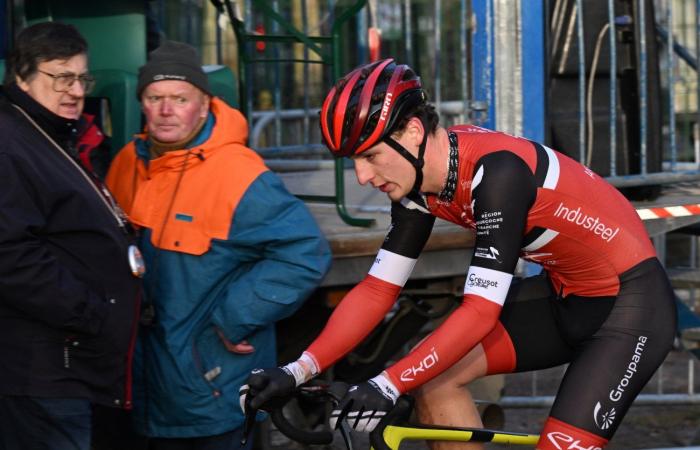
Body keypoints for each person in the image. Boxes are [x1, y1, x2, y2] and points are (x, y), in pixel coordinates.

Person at [241, 58, 677, 450]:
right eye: (353, 161)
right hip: (563, 297)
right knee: (434, 383)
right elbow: (377, 290)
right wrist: (298, 370)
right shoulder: (418, 185)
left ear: (412, 131)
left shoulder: (497, 172)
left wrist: (387, 383)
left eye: (370, 156)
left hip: (628, 313)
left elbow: (480, 311)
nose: (362, 176)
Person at [104, 40, 332, 449]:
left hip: (210, 390)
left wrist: (235, 316)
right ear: (142, 102)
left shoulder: (237, 174)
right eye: (154, 98)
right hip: (141, 391)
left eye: (179, 98)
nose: (166, 110)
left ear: (205, 104)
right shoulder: (126, 163)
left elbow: (304, 253)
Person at [0, 22, 142, 450]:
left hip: (70, 362)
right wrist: (89, 313)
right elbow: (9, 253)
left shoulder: (51, 134)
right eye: (61, 77)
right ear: (22, 78)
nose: (76, 90)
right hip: (46, 367)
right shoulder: (10, 143)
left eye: (82, 78)